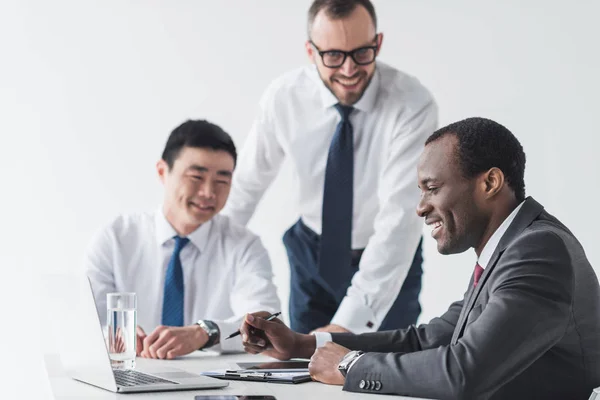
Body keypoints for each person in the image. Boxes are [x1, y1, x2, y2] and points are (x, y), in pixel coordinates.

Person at [238, 117, 600, 399]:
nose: (421, 207)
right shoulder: (511, 250)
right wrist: (302, 344)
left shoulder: (539, 251)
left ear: (489, 183)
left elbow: (465, 373)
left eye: (432, 188)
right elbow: (429, 340)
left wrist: (350, 365)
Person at [223, 0, 437, 335]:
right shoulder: (284, 98)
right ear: (311, 51)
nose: (349, 69)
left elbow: (399, 218)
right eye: (333, 56)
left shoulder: (412, 104)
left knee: (387, 373)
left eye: (362, 53)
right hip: (311, 253)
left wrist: (346, 325)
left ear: (378, 43)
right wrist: (207, 263)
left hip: (385, 256)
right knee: (304, 373)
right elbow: (245, 189)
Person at [85, 120, 280, 358]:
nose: (209, 192)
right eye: (196, 177)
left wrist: (207, 332)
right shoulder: (115, 239)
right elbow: (85, 321)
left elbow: (268, 323)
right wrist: (114, 335)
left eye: (222, 180)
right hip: (130, 374)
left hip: (214, 384)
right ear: (162, 172)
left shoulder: (244, 246)